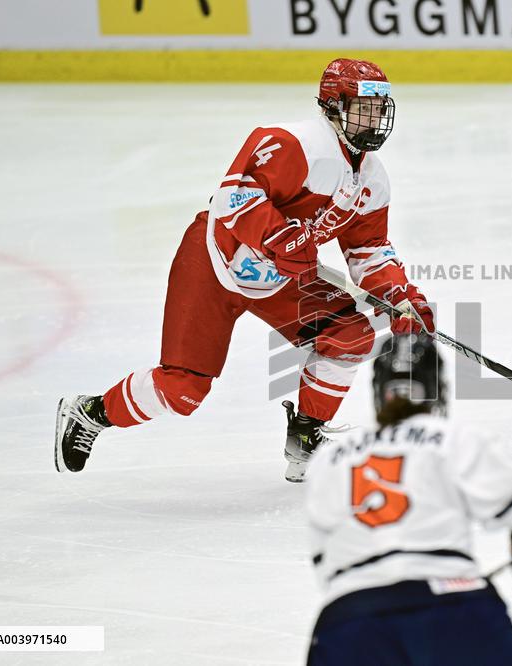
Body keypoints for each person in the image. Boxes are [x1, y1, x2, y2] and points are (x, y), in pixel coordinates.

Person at [53, 58, 435, 482]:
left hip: (280, 278)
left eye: (381, 109)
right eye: (364, 108)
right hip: (214, 261)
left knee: (350, 334)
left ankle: (305, 438)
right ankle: (90, 413)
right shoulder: (295, 143)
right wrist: (276, 237)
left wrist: (400, 296)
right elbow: (235, 194)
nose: (375, 119)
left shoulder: (373, 180)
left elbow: (368, 249)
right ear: (332, 105)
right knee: (182, 391)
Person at [304, 334, 512, 666]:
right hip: (451, 606)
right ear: (437, 387)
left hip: (348, 622)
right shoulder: (453, 439)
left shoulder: (328, 461)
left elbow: (323, 561)